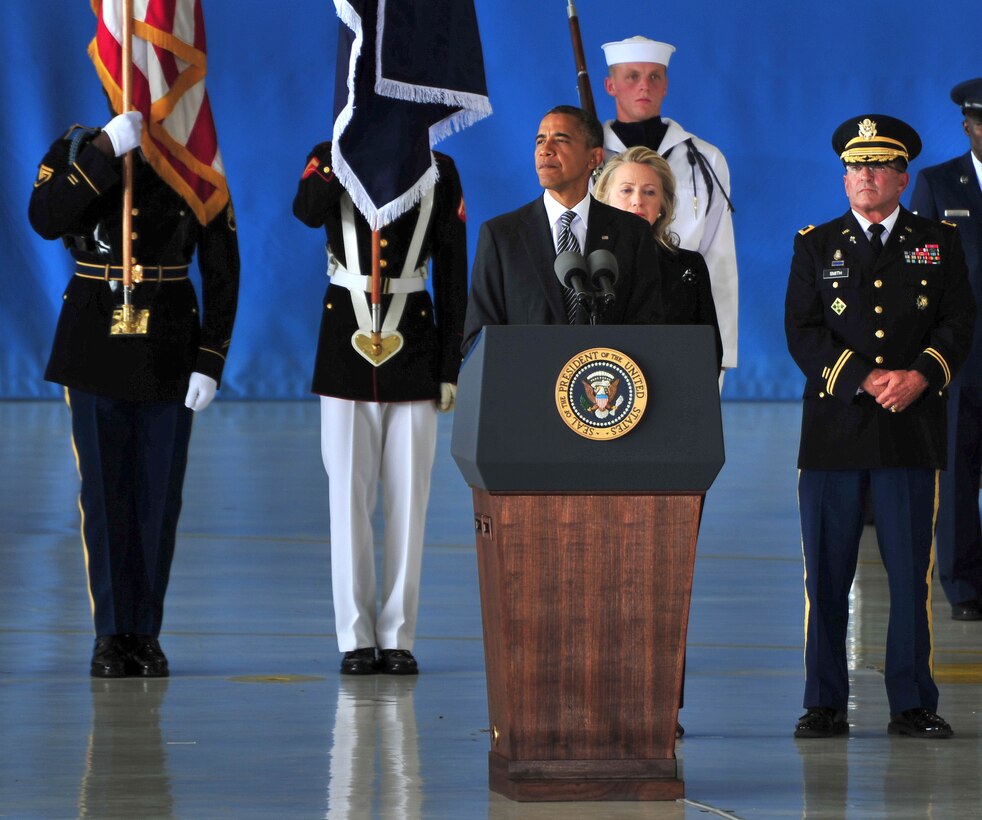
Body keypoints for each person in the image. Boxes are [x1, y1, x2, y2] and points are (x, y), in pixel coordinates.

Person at [28, 110, 240, 678]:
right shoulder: (77, 147)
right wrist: (102, 153)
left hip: (170, 342)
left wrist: (211, 359)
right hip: (95, 342)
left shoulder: (194, 158)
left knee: (157, 500)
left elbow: (222, 265)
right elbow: (45, 218)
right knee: (104, 497)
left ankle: (144, 633)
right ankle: (109, 634)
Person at [785, 114, 975, 739]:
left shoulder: (938, 241)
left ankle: (912, 702)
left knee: (910, 572)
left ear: (902, 175)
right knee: (828, 575)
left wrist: (921, 374)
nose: (863, 176)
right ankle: (824, 703)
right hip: (835, 432)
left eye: (876, 166)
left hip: (910, 429)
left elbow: (957, 323)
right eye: (853, 167)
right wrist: (865, 377)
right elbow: (803, 332)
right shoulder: (815, 244)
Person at [292, 142, 468, 676]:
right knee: (346, 496)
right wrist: (345, 158)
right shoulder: (331, 154)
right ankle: (354, 637)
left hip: (413, 338)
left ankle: (397, 635)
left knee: (410, 500)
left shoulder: (439, 168)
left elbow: (454, 271)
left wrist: (448, 366)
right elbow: (306, 211)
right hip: (345, 339)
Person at [462, 105, 661, 354]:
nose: (545, 150)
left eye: (561, 140)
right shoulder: (501, 236)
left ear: (594, 158)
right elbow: (478, 337)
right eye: (540, 141)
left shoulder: (632, 233)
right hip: (527, 387)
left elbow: (648, 326)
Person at [601, 35, 738, 378]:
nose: (644, 86)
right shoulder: (589, 158)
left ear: (666, 86)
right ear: (610, 85)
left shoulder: (705, 159)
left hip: (682, 310)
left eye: (654, 76)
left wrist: (723, 350)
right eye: (632, 76)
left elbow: (718, 257)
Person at [910, 78, 982, 621]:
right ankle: (963, 584)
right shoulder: (938, 184)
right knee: (956, 470)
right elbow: (921, 275)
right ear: (967, 126)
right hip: (962, 353)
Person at [594, 145, 722, 370]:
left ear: (662, 205)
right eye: (626, 190)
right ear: (604, 198)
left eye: (649, 192)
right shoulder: (587, 264)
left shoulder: (689, 266)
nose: (637, 201)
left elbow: (710, 352)